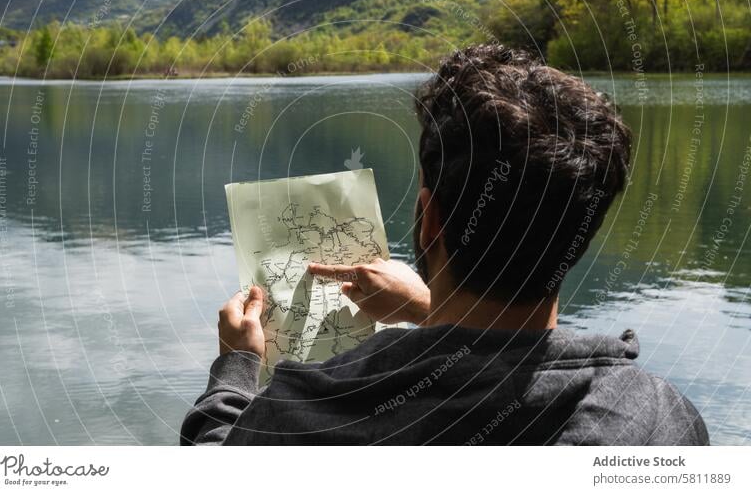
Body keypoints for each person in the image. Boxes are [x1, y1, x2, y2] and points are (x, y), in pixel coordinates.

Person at [181, 45, 709, 445]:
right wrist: (430, 310)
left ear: (429, 218)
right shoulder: (660, 421)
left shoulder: (297, 416)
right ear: (582, 236)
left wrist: (236, 368)